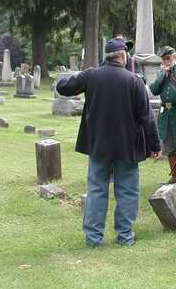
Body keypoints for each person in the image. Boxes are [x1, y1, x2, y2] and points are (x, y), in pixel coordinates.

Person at [56, 38, 161, 247]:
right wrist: (155, 145)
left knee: (96, 190)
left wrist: (87, 74)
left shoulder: (92, 76)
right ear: (122, 55)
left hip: (99, 145)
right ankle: (125, 236)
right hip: (127, 146)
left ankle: (93, 239)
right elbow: (146, 117)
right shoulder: (134, 80)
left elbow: (63, 87)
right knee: (127, 191)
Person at [149, 46, 176, 185]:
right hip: (166, 113)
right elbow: (154, 90)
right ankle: (174, 175)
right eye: (164, 59)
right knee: (169, 145)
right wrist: (162, 76)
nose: (166, 61)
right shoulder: (161, 73)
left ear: (174, 57)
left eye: (168, 58)